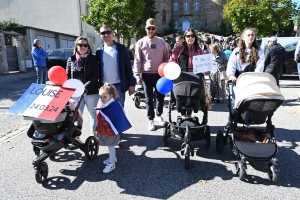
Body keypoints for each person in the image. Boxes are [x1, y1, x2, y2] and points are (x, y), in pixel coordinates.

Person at [225, 27, 265, 131]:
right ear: (243, 37)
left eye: (252, 35)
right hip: (238, 80)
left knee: (250, 102)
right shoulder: (237, 51)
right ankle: (230, 121)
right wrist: (231, 75)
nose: (251, 37)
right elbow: (231, 65)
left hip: (251, 80)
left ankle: (246, 121)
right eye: (248, 35)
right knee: (235, 102)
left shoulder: (259, 51)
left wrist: (254, 78)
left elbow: (260, 67)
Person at [133, 18, 169, 131]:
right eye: (149, 28)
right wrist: (137, 75)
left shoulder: (161, 41)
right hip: (146, 74)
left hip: (160, 74)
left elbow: (166, 58)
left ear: (156, 29)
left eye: (153, 28)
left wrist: (166, 72)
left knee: (160, 97)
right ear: (145, 28)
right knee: (148, 99)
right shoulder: (141, 42)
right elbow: (137, 60)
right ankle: (150, 119)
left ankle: (158, 115)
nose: (151, 30)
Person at [66, 36, 100, 137]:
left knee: (92, 113)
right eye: (80, 45)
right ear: (76, 46)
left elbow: (96, 74)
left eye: (85, 45)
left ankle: (94, 135)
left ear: (88, 46)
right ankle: (76, 137)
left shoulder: (93, 58)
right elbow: (67, 75)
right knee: (76, 115)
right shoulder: (71, 59)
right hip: (76, 93)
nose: (83, 47)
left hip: (91, 91)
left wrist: (85, 86)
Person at [95, 83, 131, 173]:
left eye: (104, 97)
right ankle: (113, 158)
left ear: (111, 96)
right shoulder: (103, 106)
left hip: (111, 131)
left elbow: (119, 118)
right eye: (100, 97)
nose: (102, 99)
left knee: (111, 146)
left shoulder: (114, 105)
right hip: (105, 130)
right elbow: (99, 118)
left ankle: (111, 163)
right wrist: (97, 129)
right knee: (109, 145)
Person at [96, 25, 135, 108]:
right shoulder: (99, 51)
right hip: (104, 86)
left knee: (119, 111)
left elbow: (128, 67)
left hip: (119, 85)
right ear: (100, 35)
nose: (106, 35)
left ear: (113, 33)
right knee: (106, 111)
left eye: (108, 32)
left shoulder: (122, 49)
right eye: (103, 33)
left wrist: (132, 84)